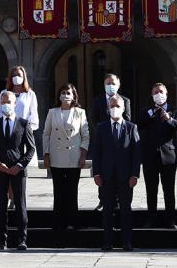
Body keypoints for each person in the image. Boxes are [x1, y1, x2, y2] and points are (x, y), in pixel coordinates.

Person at [0, 91, 35, 251]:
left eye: (9, 102)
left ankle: (22, 239)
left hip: (18, 170)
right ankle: (2, 240)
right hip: (0, 170)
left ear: (15, 104)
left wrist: (20, 165)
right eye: (3, 102)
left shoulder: (23, 123)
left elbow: (31, 149)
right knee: (1, 205)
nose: (6, 104)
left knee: (20, 204)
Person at [92, 95, 141, 252]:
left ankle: (127, 241)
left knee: (126, 209)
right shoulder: (101, 127)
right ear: (107, 109)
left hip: (126, 176)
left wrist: (135, 174)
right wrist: (96, 173)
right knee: (107, 209)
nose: (115, 108)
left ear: (123, 108)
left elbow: (136, 153)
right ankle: (108, 241)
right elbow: (96, 152)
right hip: (106, 176)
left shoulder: (131, 127)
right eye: (112, 106)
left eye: (118, 106)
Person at [138, 83, 177, 229]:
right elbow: (138, 125)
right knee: (151, 190)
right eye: (155, 92)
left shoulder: (175, 111)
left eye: (161, 92)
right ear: (152, 95)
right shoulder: (146, 111)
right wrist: (151, 114)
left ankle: (170, 219)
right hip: (150, 156)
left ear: (166, 94)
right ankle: (151, 218)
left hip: (168, 156)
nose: (158, 94)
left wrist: (169, 119)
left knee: (169, 190)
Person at [42, 83, 89, 231]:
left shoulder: (80, 113)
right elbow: (46, 134)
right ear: (59, 95)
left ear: (74, 95)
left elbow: (85, 136)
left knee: (72, 191)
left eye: (68, 93)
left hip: (73, 157)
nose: (65, 96)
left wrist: (83, 155)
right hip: (56, 156)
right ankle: (58, 222)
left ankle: (73, 222)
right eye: (63, 92)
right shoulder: (52, 112)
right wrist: (46, 154)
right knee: (58, 190)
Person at [0, 65, 39, 209]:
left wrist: (25, 131)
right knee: (7, 167)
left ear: (24, 76)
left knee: (19, 168)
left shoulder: (30, 94)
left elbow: (34, 117)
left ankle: (17, 197)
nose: (16, 77)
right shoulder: (4, 93)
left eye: (19, 74)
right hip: (6, 134)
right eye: (14, 74)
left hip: (22, 136)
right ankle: (10, 197)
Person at [91, 73, 131, 211]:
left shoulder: (125, 100)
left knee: (120, 174)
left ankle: (119, 201)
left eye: (113, 83)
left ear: (118, 84)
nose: (111, 86)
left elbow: (128, 119)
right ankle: (102, 201)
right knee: (103, 173)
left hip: (120, 140)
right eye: (108, 83)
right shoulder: (98, 101)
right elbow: (94, 119)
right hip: (104, 139)